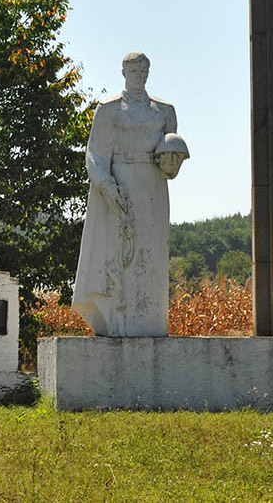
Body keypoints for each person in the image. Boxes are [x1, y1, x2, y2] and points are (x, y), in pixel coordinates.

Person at [72, 52, 188, 336]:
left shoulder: (164, 110)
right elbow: (95, 153)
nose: (139, 75)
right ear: (123, 72)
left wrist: (172, 163)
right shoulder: (109, 109)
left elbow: (169, 156)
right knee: (120, 254)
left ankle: (151, 320)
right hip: (120, 185)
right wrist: (106, 186)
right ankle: (119, 323)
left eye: (143, 70)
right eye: (133, 70)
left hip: (153, 188)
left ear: (148, 72)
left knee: (152, 252)